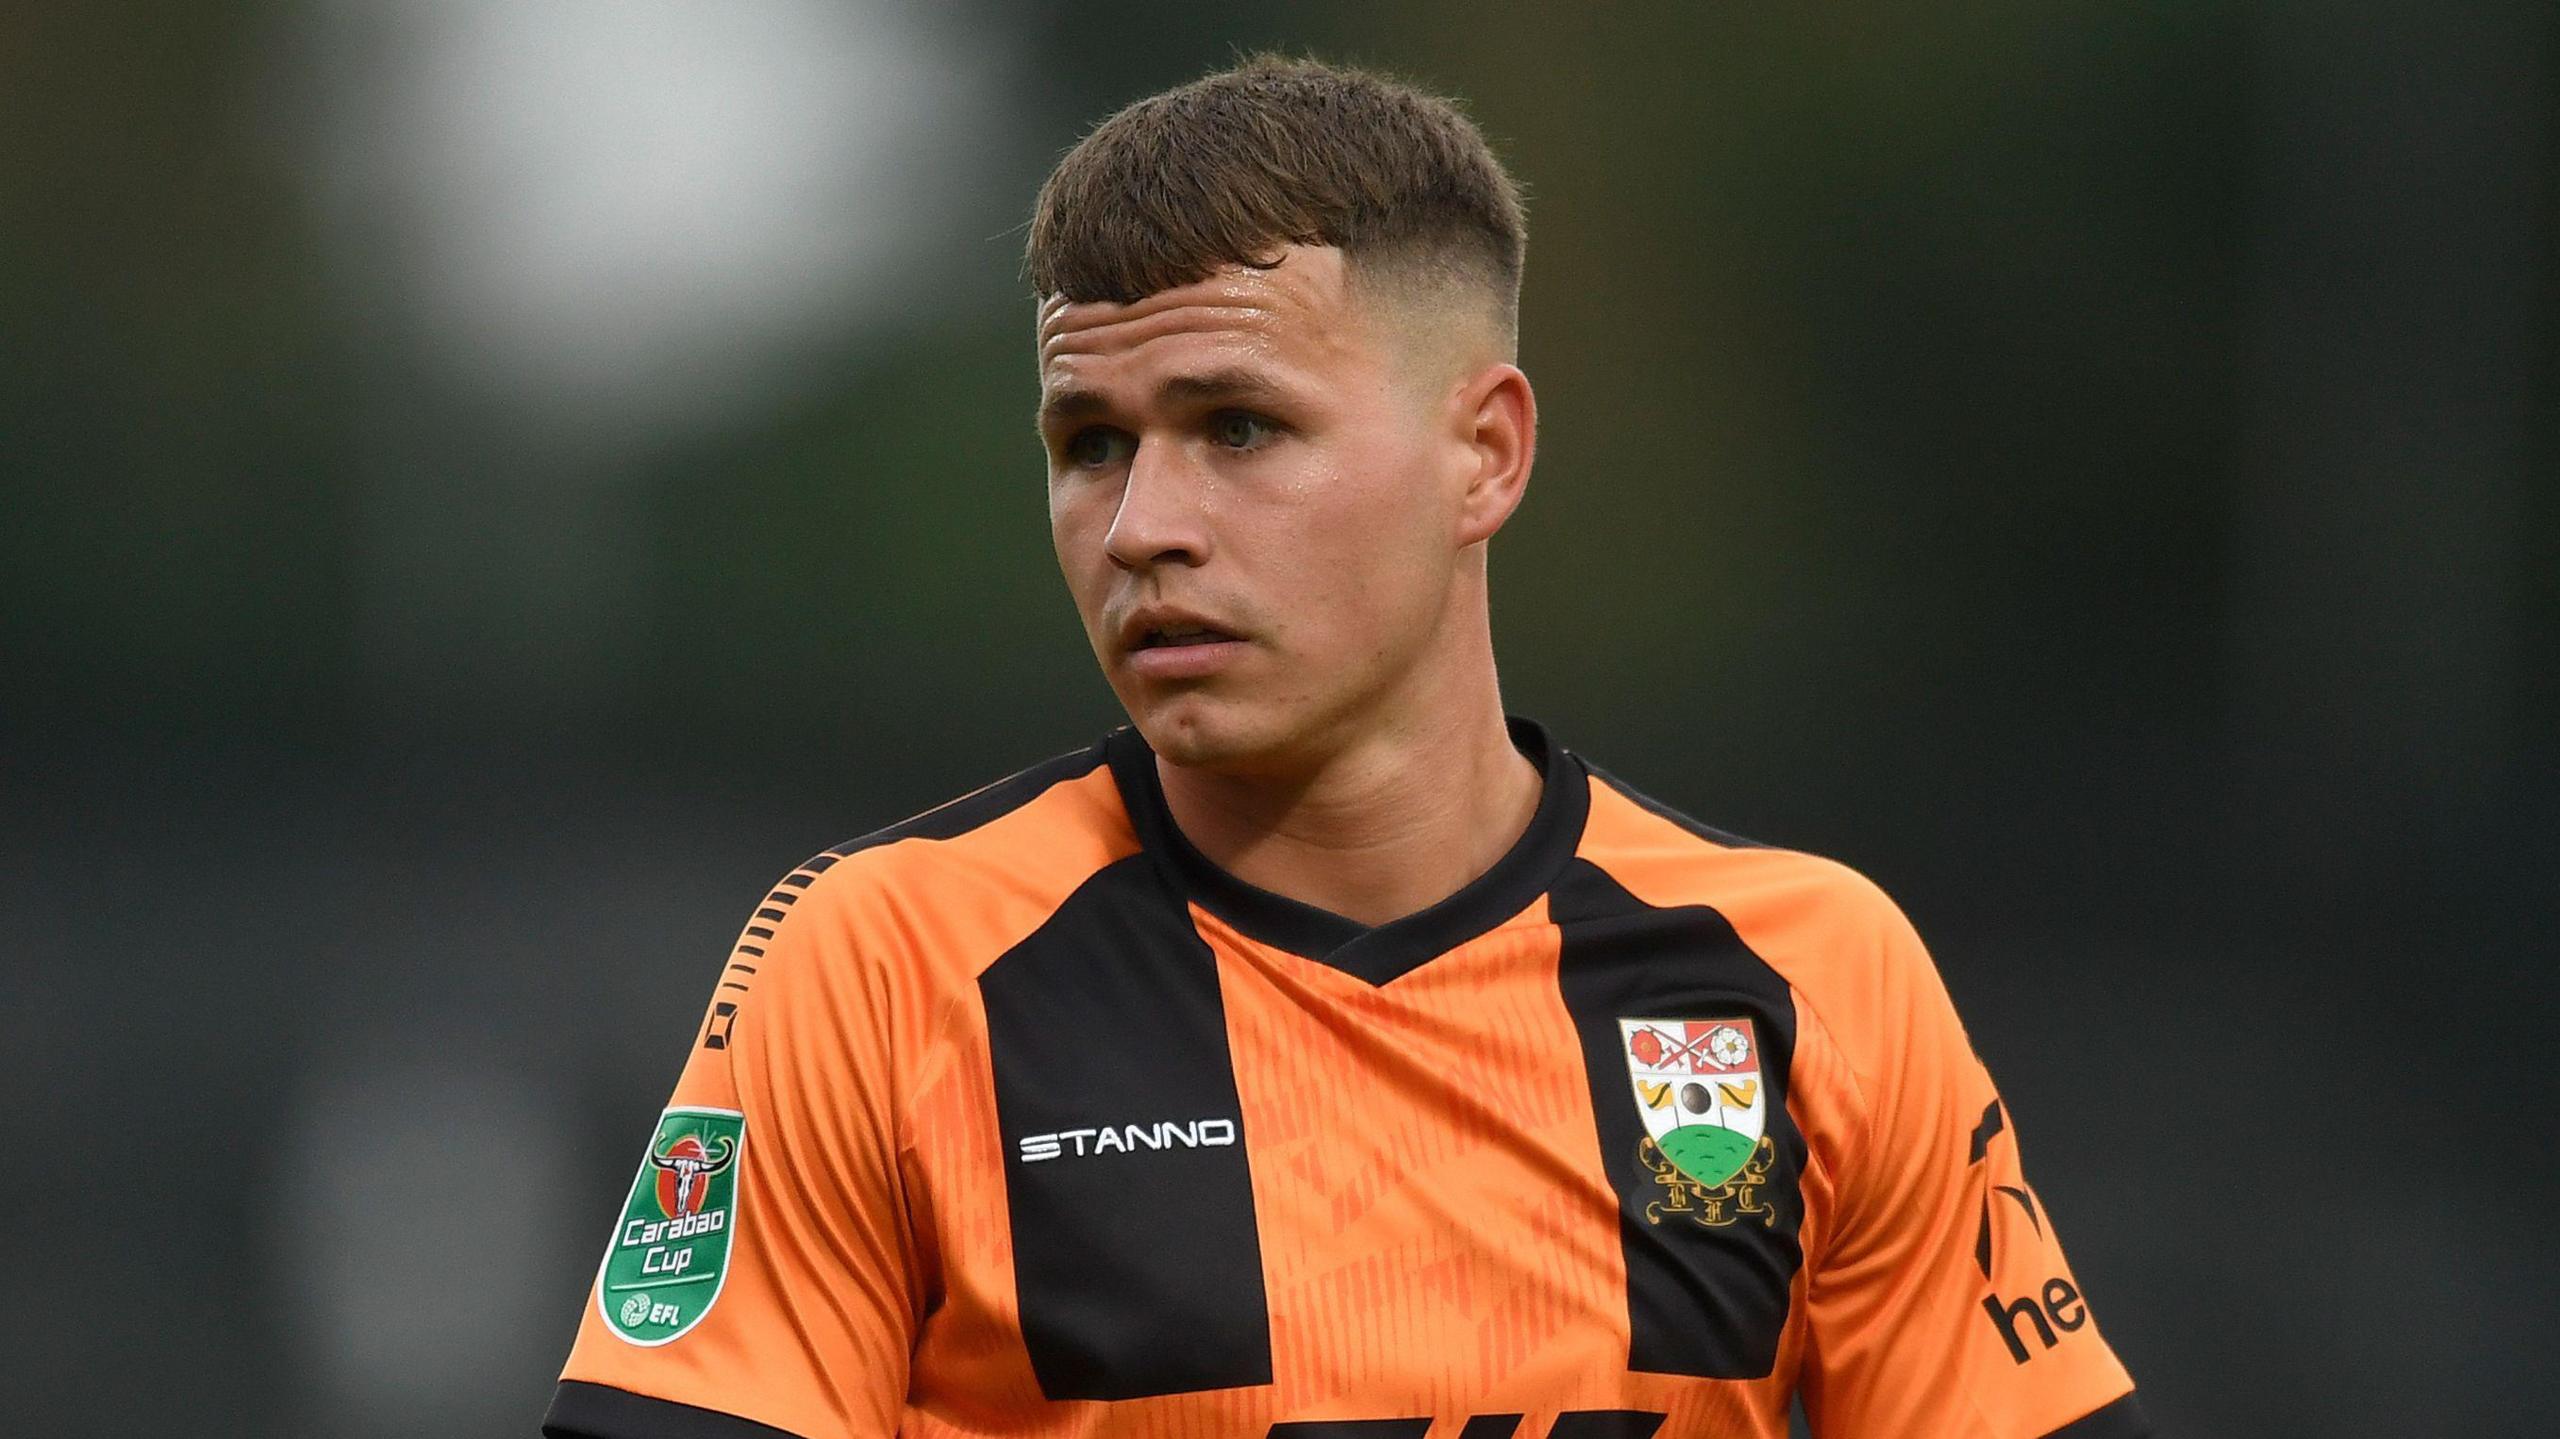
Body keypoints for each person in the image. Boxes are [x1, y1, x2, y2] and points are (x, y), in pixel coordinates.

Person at [544, 55, 2149, 1439]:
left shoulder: (1813, 975)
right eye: (1088, 444)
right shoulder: (884, 968)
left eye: (1239, 427)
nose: (1143, 528)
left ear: (1486, 453)